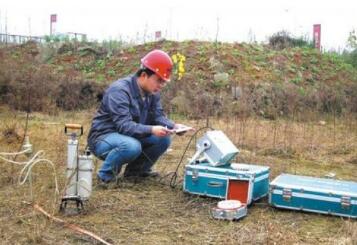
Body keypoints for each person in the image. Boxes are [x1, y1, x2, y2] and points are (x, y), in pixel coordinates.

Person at [88, 49, 186, 183]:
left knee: (164, 139)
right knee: (131, 146)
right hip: (103, 138)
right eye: (159, 80)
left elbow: (158, 116)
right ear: (144, 75)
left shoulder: (153, 93)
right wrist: (151, 130)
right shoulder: (120, 90)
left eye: (164, 82)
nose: (161, 85)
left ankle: (136, 173)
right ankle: (105, 178)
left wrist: (175, 126)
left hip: (129, 137)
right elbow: (124, 126)